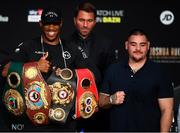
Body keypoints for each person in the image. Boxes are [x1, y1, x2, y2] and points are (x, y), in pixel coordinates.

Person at [1, 7, 99, 132]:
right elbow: (5, 70)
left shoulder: (72, 48)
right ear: (41, 24)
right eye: (47, 24)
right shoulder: (28, 46)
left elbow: (94, 74)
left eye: (55, 24)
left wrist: (69, 74)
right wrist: (35, 66)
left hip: (65, 122)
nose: (51, 28)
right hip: (34, 123)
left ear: (61, 24)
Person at [99, 28, 174, 132]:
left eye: (142, 45)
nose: (138, 48)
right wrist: (111, 99)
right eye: (133, 44)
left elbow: (167, 110)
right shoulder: (113, 69)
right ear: (126, 45)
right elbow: (101, 101)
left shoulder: (159, 72)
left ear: (148, 46)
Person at [66, 1, 116, 131]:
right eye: (81, 20)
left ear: (95, 22)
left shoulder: (106, 44)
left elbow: (110, 76)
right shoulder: (64, 44)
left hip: (98, 108)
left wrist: (101, 100)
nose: (85, 25)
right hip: (70, 106)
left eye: (89, 20)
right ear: (74, 20)